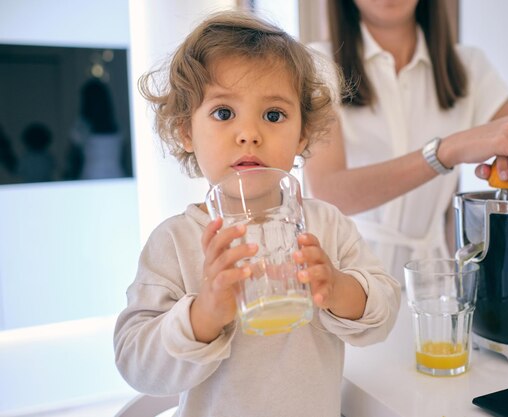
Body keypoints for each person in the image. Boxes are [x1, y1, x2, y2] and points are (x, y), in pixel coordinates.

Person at [113, 11, 400, 417]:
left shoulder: (327, 226)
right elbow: (134, 363)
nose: (249, 134)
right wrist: (204, 314)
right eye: (224, 113)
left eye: (273, 115)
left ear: (302, 134)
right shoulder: (174, 242)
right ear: (185, 131)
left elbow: (384, 312)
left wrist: (336, 288)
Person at [305, 0, 508, 279]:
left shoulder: (470, 67)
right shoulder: (320, 64)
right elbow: (328, 190)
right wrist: (446, 151)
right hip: (344, 275)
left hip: (432, 279)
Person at [67, 78, 130, 180]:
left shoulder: (80, 127)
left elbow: (73, 161)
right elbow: (124, 159)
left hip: (91, 179)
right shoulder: (119, 126)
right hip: (116, 178)